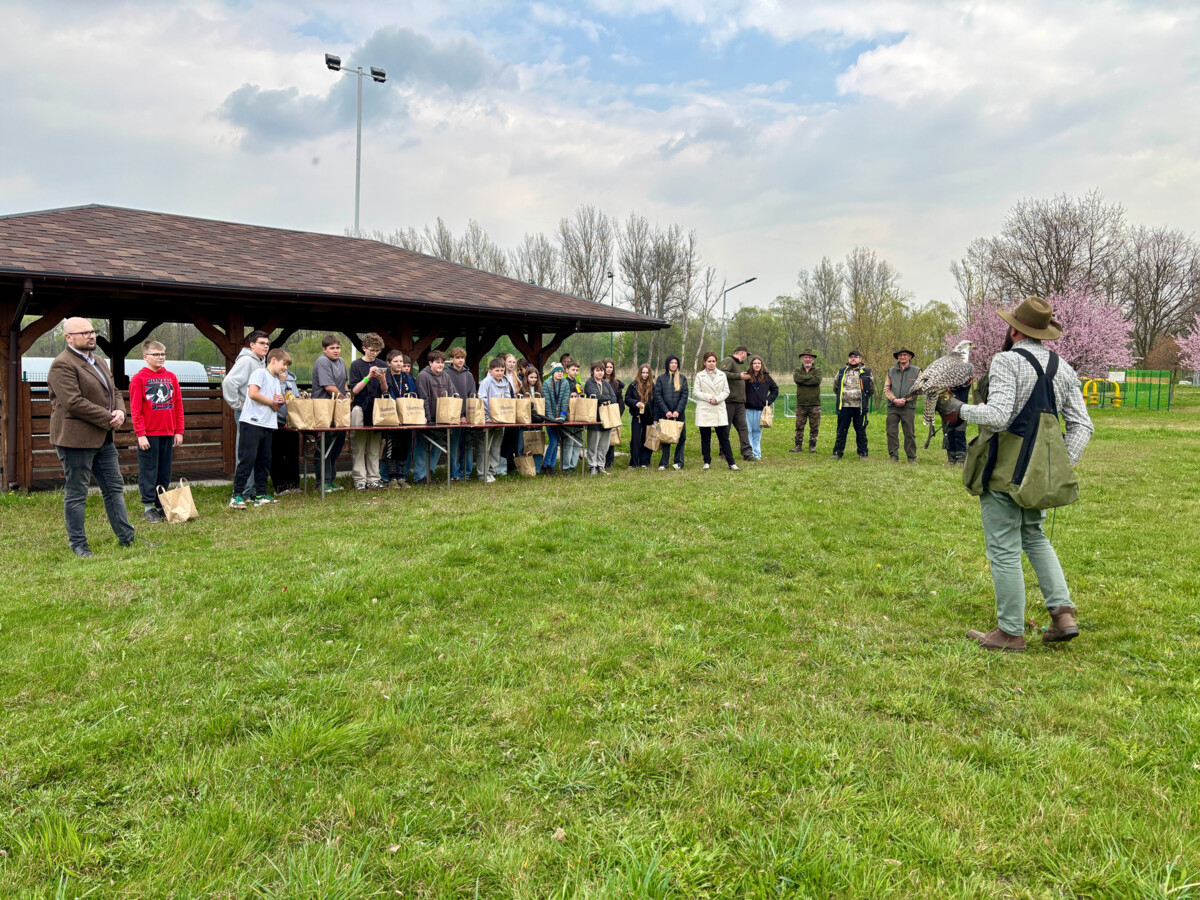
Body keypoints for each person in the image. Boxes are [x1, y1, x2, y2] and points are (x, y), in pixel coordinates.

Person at [937, 296, 1094, 652]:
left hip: (1003, 470)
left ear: (1014, 330)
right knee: (1035, 537)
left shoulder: (1006, 360)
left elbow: (998, 417)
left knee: (1004, 549)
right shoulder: (1064, 368)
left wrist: (959, 408)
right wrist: (1056, 466)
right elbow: (1083, 425)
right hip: (1038, 474)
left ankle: (1010, 632)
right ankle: (1063, 615)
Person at [47, 316, 137, 556]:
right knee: (77, 493)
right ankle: (78, 545)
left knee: (114, 489)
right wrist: (109, 417)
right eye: (84, 333)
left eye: (92, 331)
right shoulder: (62, 364)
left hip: (103, 438)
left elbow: (114, 390)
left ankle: (127, 538)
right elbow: (73, 402)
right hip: (75, 439)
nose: (91, 336)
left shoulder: (98, 360)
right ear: (69, 338)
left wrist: (120, 411)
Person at [129, 339, 185, 523]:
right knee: (149, 470)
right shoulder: (139, 379)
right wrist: (141, 434)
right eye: (156, 354)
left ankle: (161, 503)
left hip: (168, 432)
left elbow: (178, 405)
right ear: (145, 357)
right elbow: (136, 409)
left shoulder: (171, 377)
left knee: (164, 470)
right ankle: (148, 507)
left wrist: (179, 430)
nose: (160, 357)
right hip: (149, 434)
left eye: (163, 354)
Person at [230, 348, 289, 509]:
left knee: (264, 461)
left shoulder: (276, 380)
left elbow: (275, 401)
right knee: (247, 459)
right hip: (252, 422)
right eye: (284, 364)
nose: (285, 368)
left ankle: (260, 495)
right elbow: (253, 393)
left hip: (268, 424)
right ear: (274, 360)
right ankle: (236, 496)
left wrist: (280, 401)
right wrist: (271, 403)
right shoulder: (259, 373)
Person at [221, 329, 270, 495]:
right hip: (246, 414)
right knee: (246, 453)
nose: (265, 346)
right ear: (252, 345)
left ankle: (254, 489)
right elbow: (228, 382)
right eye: (262, 343)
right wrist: (238, 404)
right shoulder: (247, 361)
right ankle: (244, 491)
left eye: (267, 344)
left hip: (259, 414)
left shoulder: (261, 361)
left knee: (257, 452)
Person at [346, 333, 387, 490]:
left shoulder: (382, 364)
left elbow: (385, 390)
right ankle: (360, 479)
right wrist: (368, 376)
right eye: (372, 350)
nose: (374, 353)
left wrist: (382, 380)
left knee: (374, 446)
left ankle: (374, 478)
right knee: (359, 444)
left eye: (377, 351)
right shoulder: (356, 365)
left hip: (376, 408)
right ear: (364, 348)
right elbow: (355, 390)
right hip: (360, 407)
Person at [311, 334, 348, 490]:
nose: (336, 350)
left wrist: (347, 395)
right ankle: (322, 482)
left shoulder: (342, 361)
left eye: (338, 347)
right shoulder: (322, 362)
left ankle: (330, 479)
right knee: (324, 446)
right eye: (332, 348)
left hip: (338, 409)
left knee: (338, 443)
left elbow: (344, 384)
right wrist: (344, 399)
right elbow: (329, 387)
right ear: (324, 349)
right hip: (323, 408)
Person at [374, 350, 414, 488]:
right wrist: (396, 416)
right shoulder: (386, 377)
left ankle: (401, 477)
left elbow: (413, 395)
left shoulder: (407, 378)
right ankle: (391, 478)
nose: (399, 364)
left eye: (401, 361)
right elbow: (384, 394)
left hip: (406, 418)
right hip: (391, 417)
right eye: (396, 361)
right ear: (389, 363)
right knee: (392, 449)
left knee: (404, 447)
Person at [414, 349, 453, 484]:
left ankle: (429, 474)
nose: (440, 365)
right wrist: (426, 417)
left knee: (437, 447)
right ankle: (420, 477)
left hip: (442, 419)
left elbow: (452, 395)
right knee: (422, 448)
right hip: (427, 419)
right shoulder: (423, 376)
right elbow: (423, 397)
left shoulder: (446, 376)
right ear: (430, 363)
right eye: (437, 362)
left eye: (442, 362)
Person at [694, 351, 738, 470]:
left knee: (724, 438)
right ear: (704, 362)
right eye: (709, 361)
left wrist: (717, 399)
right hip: (705, 408)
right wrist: (709, 398)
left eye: (713, 361)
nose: (711, 363)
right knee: (705, 438)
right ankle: (706, 461)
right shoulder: (700, 375)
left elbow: (726, 391)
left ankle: (731, 463)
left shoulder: (722, 375)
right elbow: (696, 391)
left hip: (718, 408)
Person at [832, 350, 874, 459]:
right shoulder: (841, 371)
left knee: (860, 431)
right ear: (848, 359)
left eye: (855, 357)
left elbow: (871, 389)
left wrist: (863, 399)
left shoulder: (867, 372)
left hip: (859, 407)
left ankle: (863, 453)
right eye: (851, 357)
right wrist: (845, 396)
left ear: (860, 359)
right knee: (841, 430)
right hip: (844, 406)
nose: (853, 359)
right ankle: (838, 453)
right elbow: (836, 387)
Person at [445, 346, 478, 482]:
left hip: (468, 416)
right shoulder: (446, 374)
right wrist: (459, 415)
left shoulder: (468, 375)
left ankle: (466, 473)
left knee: (468, 445)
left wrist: (469, 415)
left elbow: (472, 395)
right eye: (457, 358)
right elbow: (449, 396)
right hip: (453, 416)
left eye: (462, 358)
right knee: (454, 446)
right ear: (451, 359)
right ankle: (454, 474)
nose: (460, 360)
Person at [478, 356, 513, 483]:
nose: (500, 373)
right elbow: (482, 399)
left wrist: (504, 415)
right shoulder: (486, 382)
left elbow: (508, 399)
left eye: (502, 370)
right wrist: (488, 417)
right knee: (485, 448)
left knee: (495, 448)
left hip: (500, 420)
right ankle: (483, 473)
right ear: (490, 371)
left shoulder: (505, 382)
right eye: (497, 370)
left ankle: (492, 471)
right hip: (488, 420)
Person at [885, 348, 922, 464]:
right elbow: (886, 388)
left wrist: (906, 400)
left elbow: (919, 389)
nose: (902, 357)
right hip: (893, 406)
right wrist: (894, 399)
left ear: (910, 357)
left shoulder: (917, 371)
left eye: (905, 355)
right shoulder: (891, 371)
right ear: (898, 357)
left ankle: (911, 457)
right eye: (900, 355)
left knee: (909, 433)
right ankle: (893, 456)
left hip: (908, 407)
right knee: (891, 432)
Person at [719, 345, 754, 461]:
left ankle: (747, 453)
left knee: (743, 428)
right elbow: (721, 373)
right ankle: (724, 452)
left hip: (739, 403)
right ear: (742, 353)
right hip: (729, 401)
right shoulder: (728, 360)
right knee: (725, 428)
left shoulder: (738, 365)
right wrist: (739, 376)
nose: (746, 358)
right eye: (746, 355)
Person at [653, 354, 688, 470]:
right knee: (666, 437)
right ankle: (664, 462)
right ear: (667, 364)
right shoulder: (661, 379)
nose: (673, 365)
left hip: (679, 414)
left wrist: (677, 411)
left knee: (681, 437)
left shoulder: (682, 378)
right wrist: (666, 411)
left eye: (675, 363)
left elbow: (684, 396)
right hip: (666, 414)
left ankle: (679, 462)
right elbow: (658, 396)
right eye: (671, 363)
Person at [584, 360, 618, 475]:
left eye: (602, 370)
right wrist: (605, 399)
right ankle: (592, 466)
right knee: (593, 443)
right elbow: (595, 396)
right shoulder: (590, 383)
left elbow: (614, 398)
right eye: (597, 371)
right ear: (593, 371)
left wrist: (605, 399)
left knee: (604, 444)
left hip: (607, 418)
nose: (600, 373)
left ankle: (601, 465)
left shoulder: (605, 383)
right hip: (595, 417)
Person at [271, 363, 301, 493]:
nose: (285, 368)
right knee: (277, 455)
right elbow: (277, 397)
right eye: (283, 364)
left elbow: (296, 397)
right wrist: (282, 383)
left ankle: (294, 484)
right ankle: (280, 486)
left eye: (287, 365)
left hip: (291, 422)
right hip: (276, 421)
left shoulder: (291, 378)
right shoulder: (271, 377)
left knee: (293, 454)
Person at [743, 355, 778, 461]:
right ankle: (749, 453)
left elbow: (775, 390)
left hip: (760, 409)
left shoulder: (766, 377)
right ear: (751, 365)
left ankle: (757, 453)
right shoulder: (746, 377)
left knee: (757, 431)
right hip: (747, 408)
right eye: (754, 363)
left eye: (758, 363)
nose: (757, 365)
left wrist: (768, 400)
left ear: (761, 365)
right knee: (748, 431)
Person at [791, 349, 822, 453]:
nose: (807, 359)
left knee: (814, 427)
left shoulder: (818, 370)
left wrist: (803, 380)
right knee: (799, 426)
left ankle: (812, 446)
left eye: (809, 357)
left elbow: (817, 381)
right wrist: (809, 377)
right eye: (805, 357)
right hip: (801, 403)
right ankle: (798, 446)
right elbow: (797, 379)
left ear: (813, 359)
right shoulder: (797, 370)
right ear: (802, 359)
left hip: (815, 404)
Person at [625, 363, 655, 468]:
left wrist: (655, 417)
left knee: (646, 439)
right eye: (643, 372)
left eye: (647, 373)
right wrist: (635, 403)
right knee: (635, 439)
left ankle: (644, 461)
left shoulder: (653, 386)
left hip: (649, 417)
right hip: (637, 416)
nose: (645, 375)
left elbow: (656, 402)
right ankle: (634, 462)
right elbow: (627, 398)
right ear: (639, 373)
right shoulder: (633, 385)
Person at [542, 362, 570, 474]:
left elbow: (565, 401)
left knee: (556, 441)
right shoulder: (547, 383)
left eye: (561, 371)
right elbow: (547, 402)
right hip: (549, 417)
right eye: (558, 371)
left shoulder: (565, 383)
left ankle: (551, 466)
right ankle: (546, 464)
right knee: (553, 441)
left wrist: (562, 416)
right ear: (553, 372)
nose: (560, 373)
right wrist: (551, 418)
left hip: (560, 418)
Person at [560, 360, 586, 473]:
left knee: (578, 442)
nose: (575, 372)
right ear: (567, 370)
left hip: (578, 415)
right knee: (568, 442)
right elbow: (561, 397)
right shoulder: (564, 382)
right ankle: (566, 466)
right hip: (568, 416)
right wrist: (570, 395)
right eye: (573, 370)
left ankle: (573, 465)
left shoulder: (578, 383)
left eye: (577, 370)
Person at [942, 376, 972, 466]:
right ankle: (951, 459)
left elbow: (964, 384)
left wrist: (949, 385)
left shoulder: (966, 376)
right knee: (949, 432)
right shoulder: (946, 375)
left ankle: (962, 459)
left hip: (961, 407)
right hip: (947, 407)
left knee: (960, 432)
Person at [603, 358, 624, 469]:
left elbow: (620, 401)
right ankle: (600, 461)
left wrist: (617, 415)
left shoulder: (616, 384)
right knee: (601, 438)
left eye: (611, 367)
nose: (609, 369)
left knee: (611, 438)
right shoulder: (598, 381)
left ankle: (609, 463)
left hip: (612, 414)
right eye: (607, 367)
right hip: (601, 413)